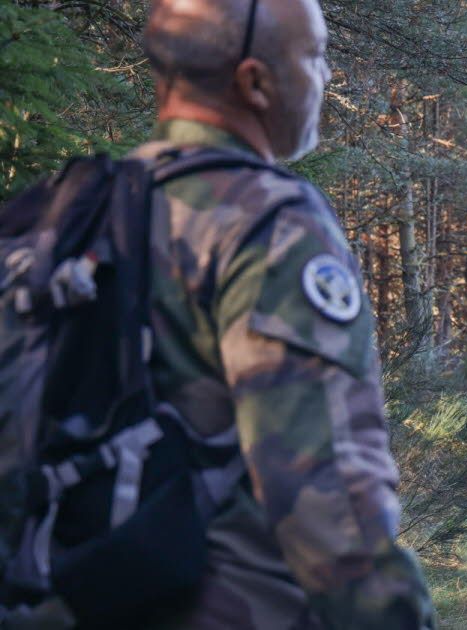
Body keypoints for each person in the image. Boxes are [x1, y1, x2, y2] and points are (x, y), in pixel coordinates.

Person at [65, 1, 437, 626]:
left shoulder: (76, 211)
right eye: (314, 57)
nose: (326, 78)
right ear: (254, 82)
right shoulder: (272, 225)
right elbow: (327, 496)